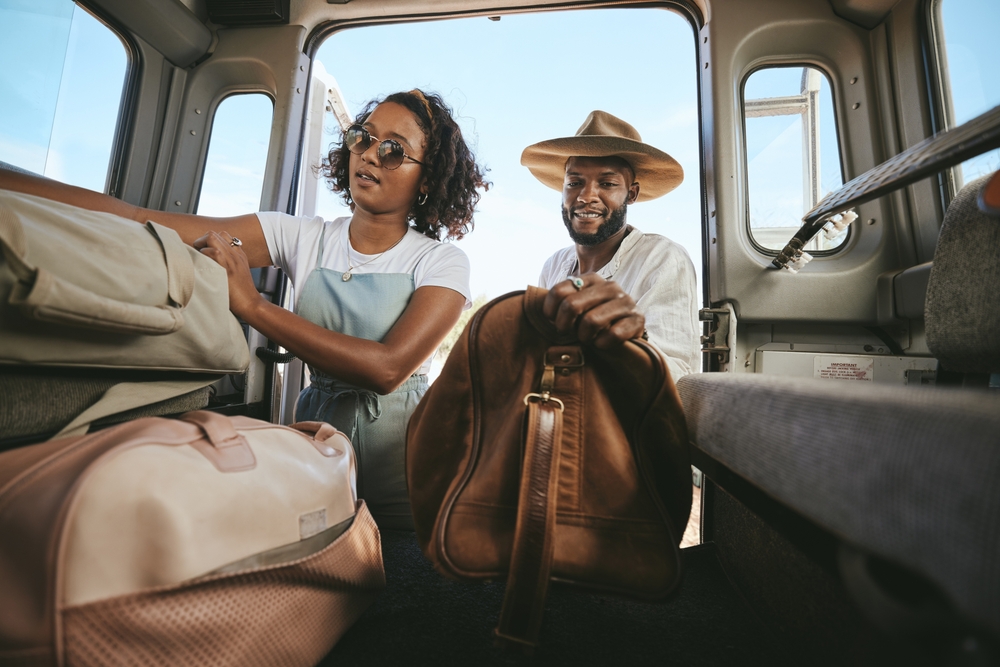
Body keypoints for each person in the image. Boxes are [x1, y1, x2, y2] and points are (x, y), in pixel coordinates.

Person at [0, 89, 489, 530]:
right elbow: (140, 219)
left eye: (393, 150)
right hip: (315, 443)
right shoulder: (303, 236)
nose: (369, 154)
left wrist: (252, 306)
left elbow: (387, 369)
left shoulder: (441, 261)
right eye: (364, 137)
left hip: (405, 462)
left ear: (427, 180)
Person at [520, 110, 700, 379]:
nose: (586, 196)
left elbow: (677, 375)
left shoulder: (662, 258)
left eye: (607, 183)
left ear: (632, 193)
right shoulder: (555, 265)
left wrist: (632, 339)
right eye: (574, 182)